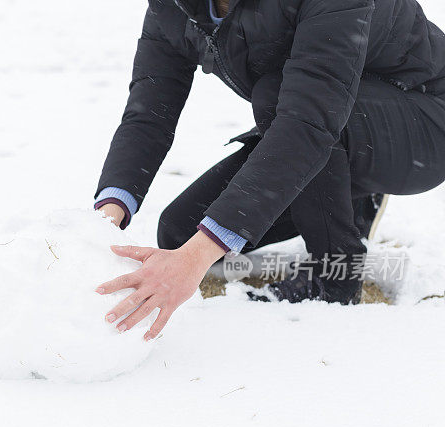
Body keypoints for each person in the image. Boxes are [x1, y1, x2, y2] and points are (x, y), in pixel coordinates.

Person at [94, 0, 445, 340]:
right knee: (178, 232)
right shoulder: (174, 5)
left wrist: (196, 258)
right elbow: (149, 116)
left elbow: (306, 124)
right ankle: (351, 190)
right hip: (322, 114)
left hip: (424, 123)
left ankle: (335, 280)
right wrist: (106, 222)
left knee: (275, 97)